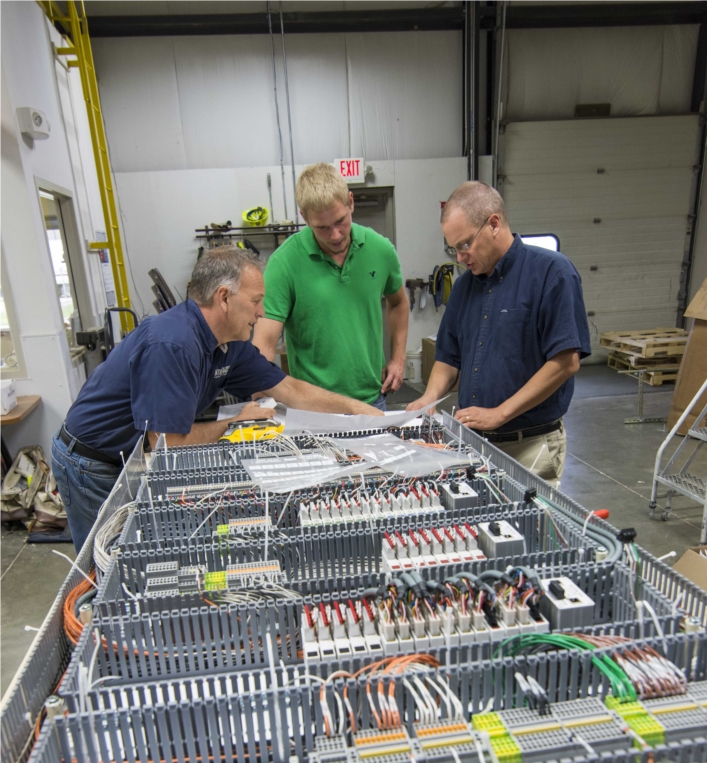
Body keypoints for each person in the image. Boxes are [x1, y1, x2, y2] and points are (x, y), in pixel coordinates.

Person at [52, 247, 381, 552]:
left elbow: (290, 390)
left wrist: (355, 410)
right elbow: (169, 443)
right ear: (224, 297)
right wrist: (230, 425)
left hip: (128, 454)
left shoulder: (231, 344)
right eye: (256, 301)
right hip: (92, 462)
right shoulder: (173, 343)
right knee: (108, 564)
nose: (262, 312)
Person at [407, 182, 590, 487]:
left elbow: (565, 362)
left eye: (465, 244)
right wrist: (428, 398)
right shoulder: (465, 287)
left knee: (526, 532)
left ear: (493, 223)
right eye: (453, 248)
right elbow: (448, 357)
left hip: (529, 446)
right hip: (473, 445)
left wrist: (500, 414)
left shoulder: (552, 273)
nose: (460, 257)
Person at [252, 163, 409, 410]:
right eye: (322, 227)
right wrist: (260, 400)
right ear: (304, 217)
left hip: (371, 402)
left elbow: (398, 302)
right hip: (313, 409)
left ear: (351, 202)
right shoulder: (284, 263)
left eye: (340, 221)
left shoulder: (381, 251)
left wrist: (399, 359)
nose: (335, 235)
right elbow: (264, 343)